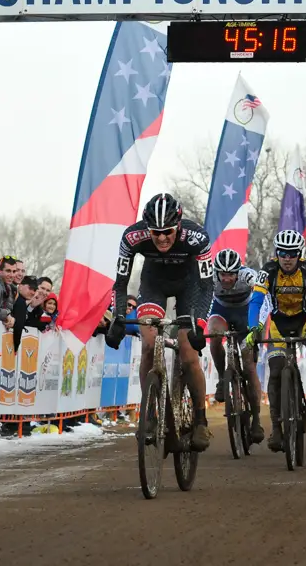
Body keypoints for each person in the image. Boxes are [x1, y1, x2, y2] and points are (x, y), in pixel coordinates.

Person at [105, 192, 214, 452]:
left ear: (178, 225)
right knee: (149, 344)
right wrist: (118, 317)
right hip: (154, 285)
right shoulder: (133, 236)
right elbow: (120, 283)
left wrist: (199, 323)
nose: (162, 238)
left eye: (168, 231)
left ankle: (200, 419)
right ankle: (150, 414)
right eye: (156, 232)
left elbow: (207, 286)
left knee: (188, 356)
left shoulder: (197, 237)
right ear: (147, 229)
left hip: (190, 288)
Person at [246, 229, 306, 453]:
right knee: (275, 371)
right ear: (277, 253)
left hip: (305, 319)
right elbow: (255, 302)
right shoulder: (268, 271)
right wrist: (254, 327)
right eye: (283, 253)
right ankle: (276, 428)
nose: (287, 258)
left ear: (299, 254)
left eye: (292, 253)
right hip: (279, 323)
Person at [205, 248, 264, 444]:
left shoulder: (248, 276)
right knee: (214, 334)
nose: (228, 278)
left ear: (238, 272)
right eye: (223, 274)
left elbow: (263, 294)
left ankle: (256, 420)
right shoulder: (210, 277)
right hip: (221, 309)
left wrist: (258, 323)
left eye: (231, 274)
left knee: (249, 366)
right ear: (217, 272)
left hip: (245, 312)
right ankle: (223, 378)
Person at [10, 275, 49, 351]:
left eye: (35, 290)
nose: (33, 292)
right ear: (20, 286)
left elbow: (38, 324)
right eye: (30, 288)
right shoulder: (14, 296)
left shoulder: (35, 306)